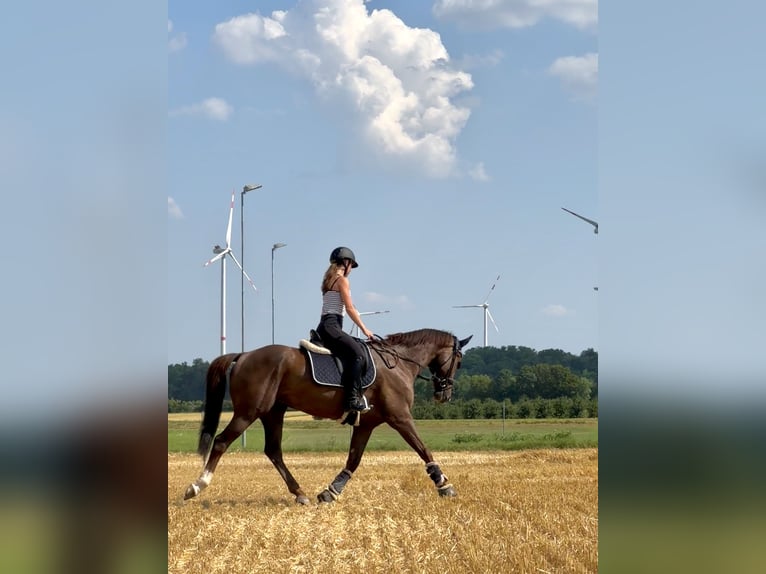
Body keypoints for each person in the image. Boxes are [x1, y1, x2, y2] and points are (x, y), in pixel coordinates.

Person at [316, 246, 374, 424]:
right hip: (332, 326)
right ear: (346, 263)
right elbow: (349, 308)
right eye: (351, 265)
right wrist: (365, 329)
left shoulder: (328, 280)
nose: (351, 270)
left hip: (323, 326)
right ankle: (352, 400)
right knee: (358, 354)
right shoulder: (342, 280)